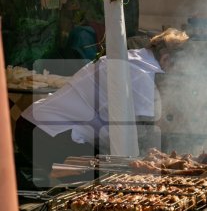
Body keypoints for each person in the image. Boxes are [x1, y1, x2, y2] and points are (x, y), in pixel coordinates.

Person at [15, 28, 189, 180]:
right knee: (95, 186)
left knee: (100, 178)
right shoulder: (142, 73)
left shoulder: (135, 60)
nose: (175, 81)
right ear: (165, 59)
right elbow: (143, 134)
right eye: (178, 72)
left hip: (37, 126)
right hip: (47, 132)